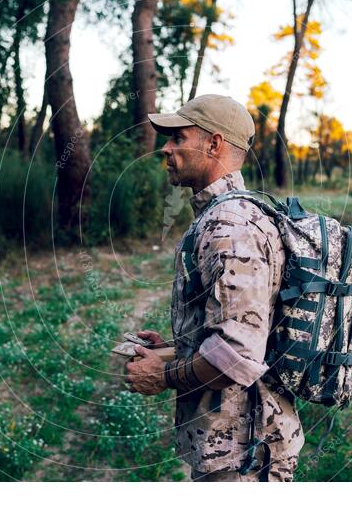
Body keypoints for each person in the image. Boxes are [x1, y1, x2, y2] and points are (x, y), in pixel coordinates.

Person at [125, 94, 304, 482]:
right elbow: (246, 330)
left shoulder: (231, 226)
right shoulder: (222, 216)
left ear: (214, 144)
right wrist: (171, 350)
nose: (166, 149)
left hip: (244, 452)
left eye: (177, 138)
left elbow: (237, 355)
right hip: (232, 445)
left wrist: (163, 375)